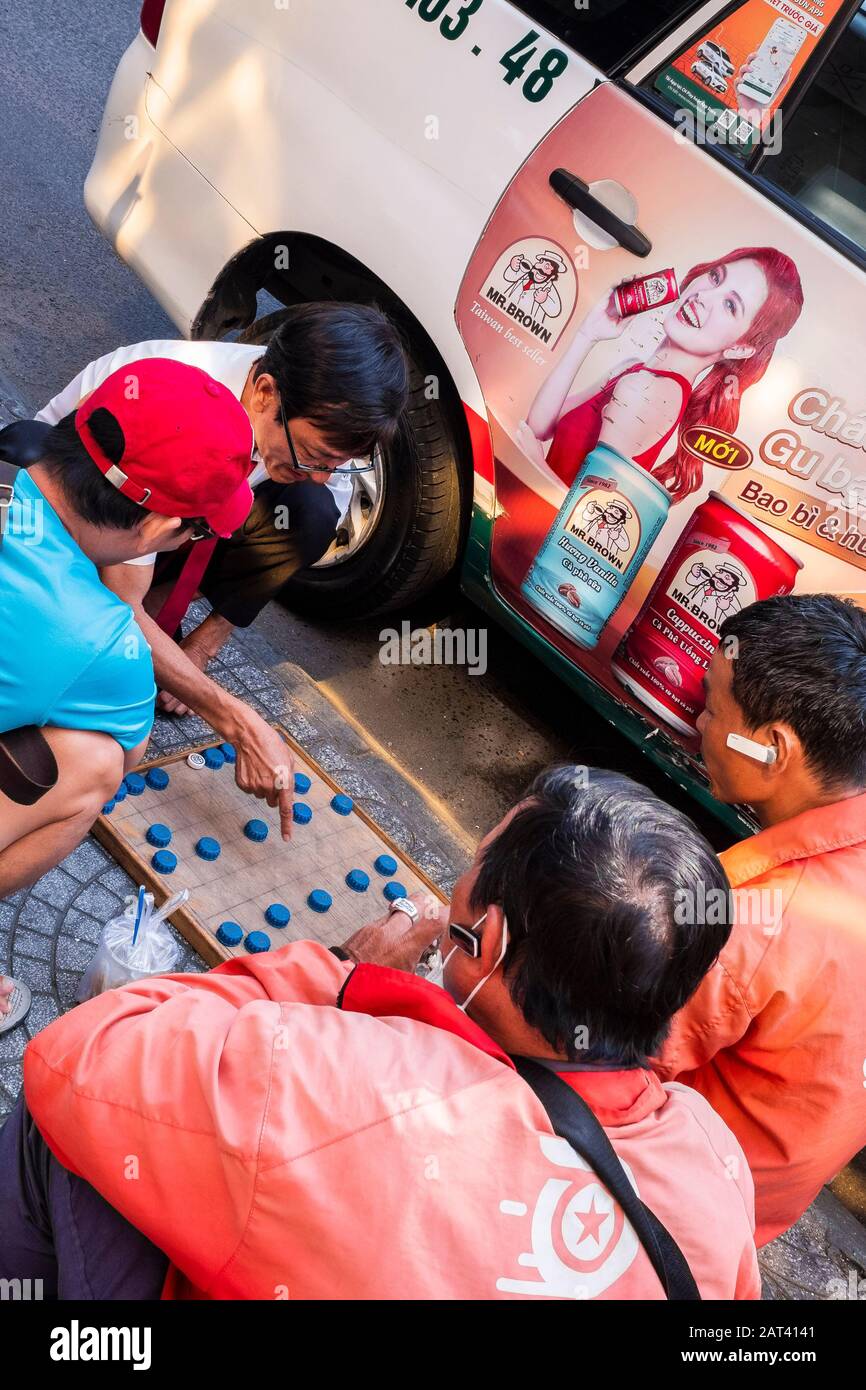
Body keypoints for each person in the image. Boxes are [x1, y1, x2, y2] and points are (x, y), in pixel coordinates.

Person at [3, 767, 760, 1299]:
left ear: (485, 943)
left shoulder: (340, 1077)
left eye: (472, 866)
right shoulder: (715, 1166)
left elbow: (79, 1050)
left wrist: (340, 975)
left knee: (56, 1130)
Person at [0, 358, 263, 1025]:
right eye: (197, 528)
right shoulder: (100, 639)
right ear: (151, 531)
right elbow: (127, 741)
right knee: (92, 763)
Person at [33, 302, 409, 728]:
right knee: (110, 710)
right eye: (314, 456)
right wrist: (231, 717)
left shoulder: (311, 436)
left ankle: (161, 624)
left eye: (335, 464)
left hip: (139, 536)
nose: (322, 476)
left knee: (311, 511)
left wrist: (196, 655)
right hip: (66, 524)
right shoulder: (173, 400)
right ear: (266, 393)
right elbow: (123, 596)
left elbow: (321, 504)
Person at [654, 594, 866, 1246]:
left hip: (655, 1210)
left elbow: (596, 1054)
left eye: (715, 709)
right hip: (750, 1221)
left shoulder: (749, 920)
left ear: (774, 749)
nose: (697, 719)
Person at [519, 246, 803, 501]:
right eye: (716, 277)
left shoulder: (650, 390)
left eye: (730, 305)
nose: (703, 297)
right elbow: (540, 428)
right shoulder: (636, 372)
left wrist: (535, 461)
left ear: (740, 348)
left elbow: (586, 516)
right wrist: (587, 335)